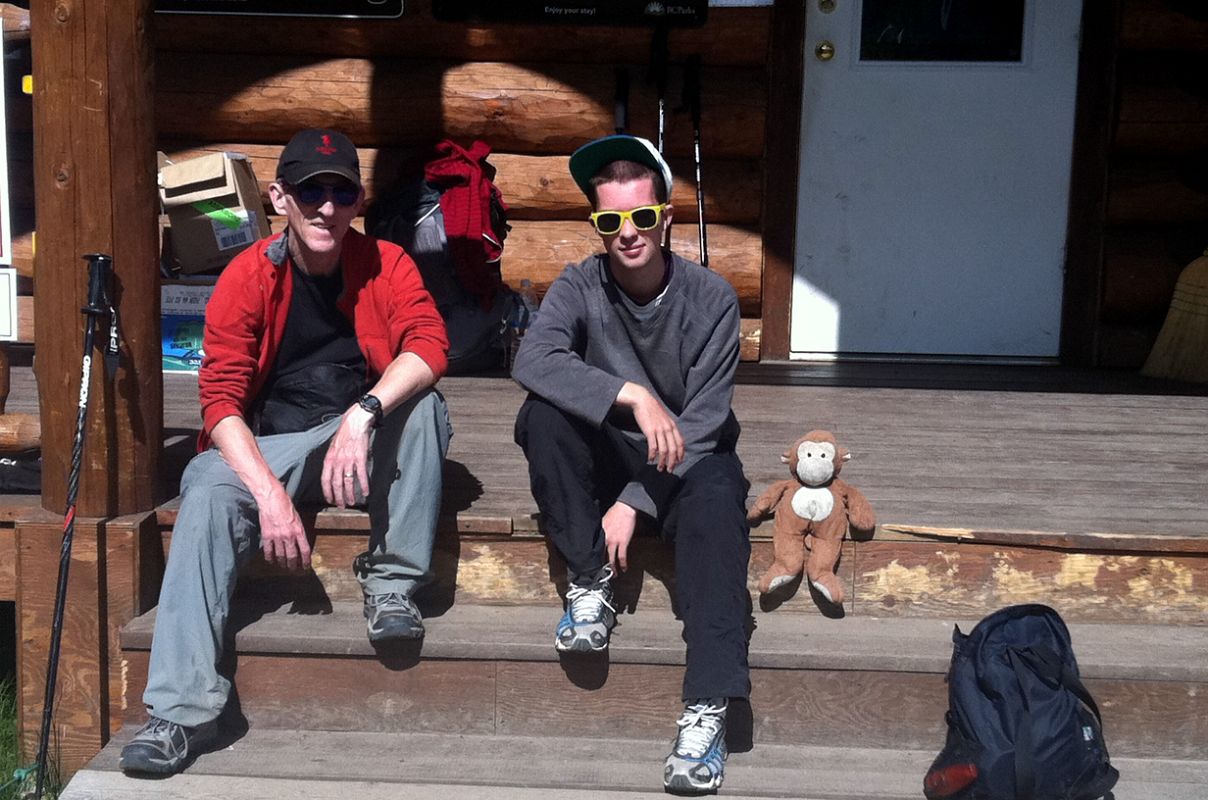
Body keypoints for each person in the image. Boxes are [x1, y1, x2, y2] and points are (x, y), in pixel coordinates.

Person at [120, 129, 452, 775]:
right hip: (281, 446)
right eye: (310, 190)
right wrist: (270, 496)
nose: (326, 206)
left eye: (341, 191)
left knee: (424, 409)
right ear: (280, 198)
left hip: (358, 442)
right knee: (210, 483)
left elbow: (430, 345)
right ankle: (179, 713)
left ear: (358, 201)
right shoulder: (248, 276)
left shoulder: (388, 263)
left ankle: (392, 587)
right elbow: (218, 401)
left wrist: (363, 415)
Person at [511, 134, 751, 793]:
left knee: (719, 505)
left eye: (642, 217)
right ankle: (590, 584)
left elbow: (702, 423)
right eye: (610, 221)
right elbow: (533, 360)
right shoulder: (580, 283)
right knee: (542, 415)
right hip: (612, 446)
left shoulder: (713, 300)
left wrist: (633, 501)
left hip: (687, 465)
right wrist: (631, 394)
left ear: (666, 218)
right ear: (597, 225)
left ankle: (708, 707)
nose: (628, 233)